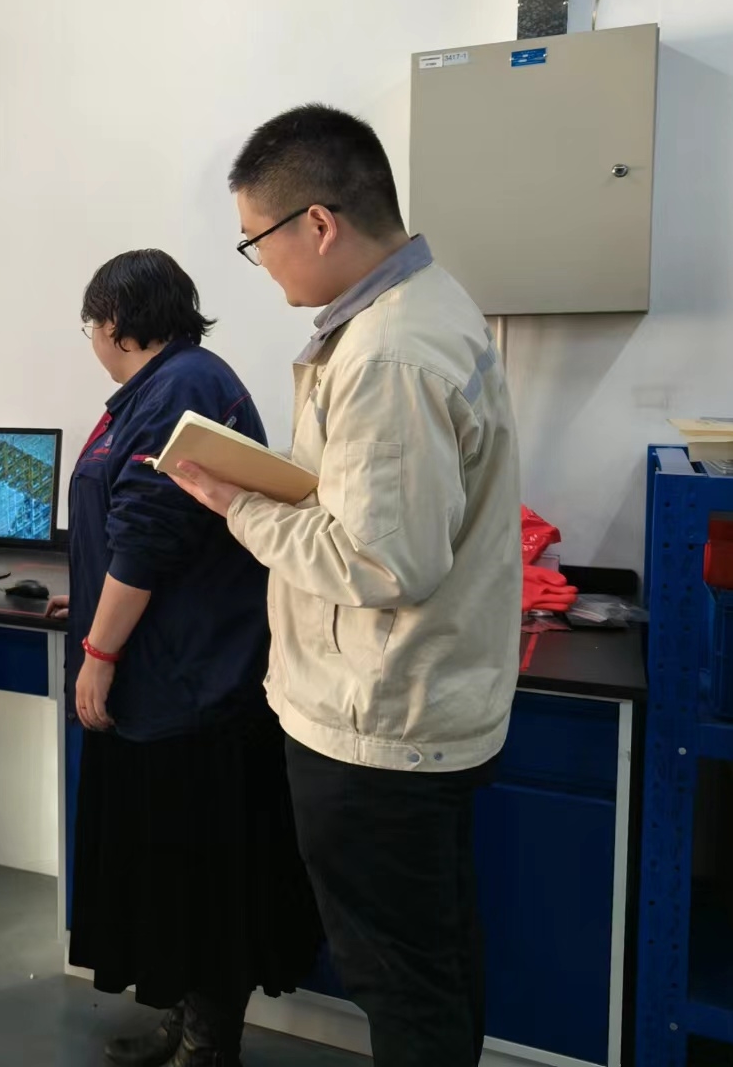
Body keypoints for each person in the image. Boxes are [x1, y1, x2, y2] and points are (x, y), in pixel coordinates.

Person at [170, 105, 521, 1067]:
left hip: (380, 723)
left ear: (319, 223)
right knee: (433, 961)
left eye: (257, 241)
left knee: (401, 981)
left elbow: (382, 563)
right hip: (416, 705)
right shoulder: (421, 308)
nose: (260, 263)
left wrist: (237, 505)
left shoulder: (388, 353)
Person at [50, 249, 321, 1067]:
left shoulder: (182, 388)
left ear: (114, 322)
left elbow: (150, 536)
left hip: (192, 684)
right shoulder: (166, 387)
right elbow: (128, 530)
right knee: (167, 870)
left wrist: (99, 649)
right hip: (164, 671)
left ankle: (209, 1044)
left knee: (197, 872)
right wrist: (89, 598)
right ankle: (184, 1021)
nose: (92, 340)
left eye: (91, 325)